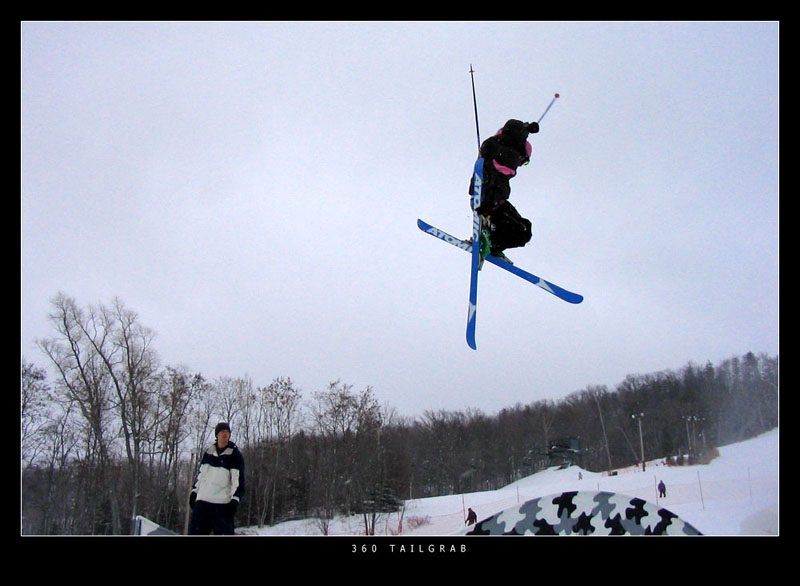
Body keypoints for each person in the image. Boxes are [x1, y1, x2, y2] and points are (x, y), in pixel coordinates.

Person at [469, 118, 539, 263]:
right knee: (523, 232)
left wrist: (527, 128)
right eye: (524, 162)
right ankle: (490, 243)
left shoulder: (495, 142)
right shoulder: (508, 159)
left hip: (486, 199)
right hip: (492, 204)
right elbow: (498, 184)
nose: (521, 165)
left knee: (524, 227)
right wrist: (490, 204)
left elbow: (512, 128)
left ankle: (492, 243)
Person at [188, 422, 246, 535]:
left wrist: (235, 499)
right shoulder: (209, 453)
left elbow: (237, 481)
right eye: (222, 432)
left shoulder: (235, 455)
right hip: (203, 502)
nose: (225, 434)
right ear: (217, 435)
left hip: (222, 504)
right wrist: (194, 491)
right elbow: (201, 475)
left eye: (227, 432)